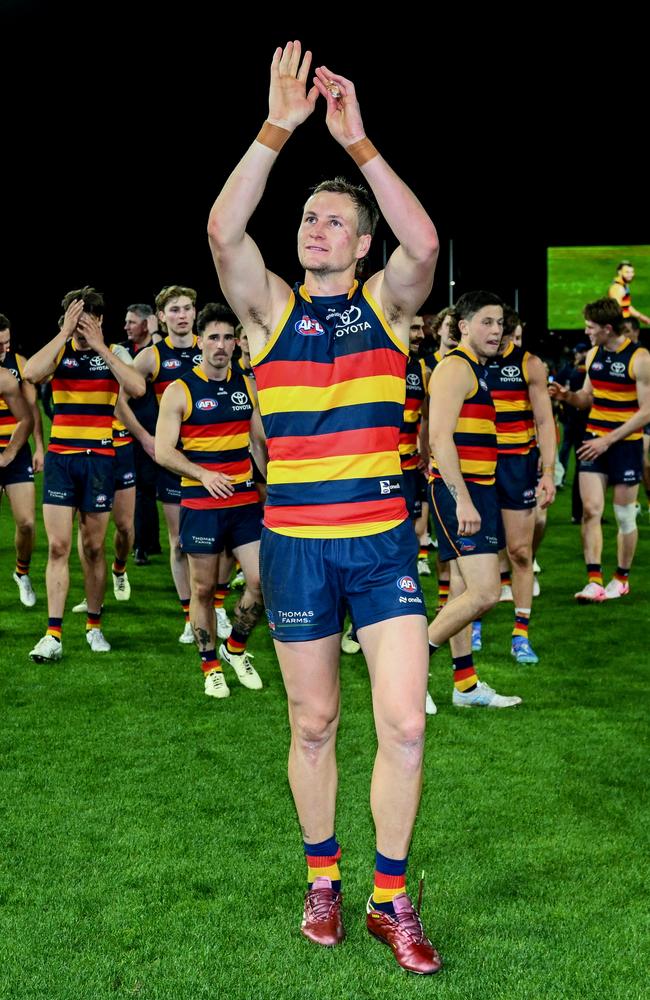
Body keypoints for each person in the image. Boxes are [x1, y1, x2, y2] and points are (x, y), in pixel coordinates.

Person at [207, 41, 442, 974]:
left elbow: (424, 244)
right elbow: (225, 233)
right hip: (298, 548)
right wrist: (278, 130)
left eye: (334, 220)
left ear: (361, 241)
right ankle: (323, 876)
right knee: (312, 725)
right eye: (309, 216)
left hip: (381, 547)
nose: (315, 228)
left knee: (407, 722)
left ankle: (390, 897)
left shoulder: (389, 304)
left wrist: (359, 143)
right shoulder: (267, 313)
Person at [24, 287, 145, 663]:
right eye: (76, 320)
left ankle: (94, 626)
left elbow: (138, 388)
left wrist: (102, 346)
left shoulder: (114, 355)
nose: (81, 327)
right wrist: (63, 335)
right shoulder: (59, 352)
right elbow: (30, 373)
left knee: (93, 548)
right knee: (59, 547)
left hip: (99, 461)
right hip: (62, 460)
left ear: (100, 320)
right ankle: (53, 634)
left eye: (88, 319)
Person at [155, 302, 267, 698]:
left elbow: (259, 441)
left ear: (237, 343)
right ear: (200, 341)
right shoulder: (179, 390)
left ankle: (235, 648)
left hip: (243, 502)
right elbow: (163, 451)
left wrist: (272, 484)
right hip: (201, 505)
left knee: (260, 581)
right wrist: (203, 474)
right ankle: (210, 666)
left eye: (227, 338)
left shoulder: (246, 384)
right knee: (203, 591)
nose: (221, 345)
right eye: (213, 337)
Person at [427, 292, 524, 707]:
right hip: (459, 492)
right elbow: (438, 438)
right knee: (485, 592)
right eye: (486, 322)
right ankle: (410, 661)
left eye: (500, 322)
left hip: (478, 490)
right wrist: (463, 500)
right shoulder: (455, 368)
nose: (496, 330)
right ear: (463, 326)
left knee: (464, 589)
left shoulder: (480, 371)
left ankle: (465, 685)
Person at [550, 297, 650, 600]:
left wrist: (609, 439)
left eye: (590, 326)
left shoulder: (640, 357)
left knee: (623, 517)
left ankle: (621, 579)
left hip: (625, 445)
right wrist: (568, 397)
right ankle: (594, 580)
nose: (586, 331)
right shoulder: (593, 355)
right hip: (595, 441)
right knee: (591, 511)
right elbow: (588, 398)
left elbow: (646, 412)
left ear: (608, 328)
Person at [118, 285, 203, 641]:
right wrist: (145, 437)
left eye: (186, 308)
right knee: (180, 540)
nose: (182, 315)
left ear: (194, 313)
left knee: (222, 541)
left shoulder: (211, 346)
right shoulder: (151, 357)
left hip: (216, 457)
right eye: (174, 310)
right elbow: (118, 400)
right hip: (173, 462)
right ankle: (189, 617)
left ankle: (213, 606)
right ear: (162, 317)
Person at [483, 307, 557, 663]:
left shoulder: (529, 364)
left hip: (517, 466)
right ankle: (474, 622)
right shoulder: (465, 363)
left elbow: (544, 420)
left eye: (501, 329)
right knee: (476, 554)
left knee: (520, 552)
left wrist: (548, 471)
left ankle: (521, 635)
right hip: (477, 466)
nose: (496, 335)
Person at [0, 314, 44, 606]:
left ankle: (22, 572)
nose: (3, 349)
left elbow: (30, 413)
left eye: (6, 342)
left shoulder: (19, 366)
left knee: (27, 523)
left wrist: (35, 447)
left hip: (13, 450)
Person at [123, 303, 162, 563]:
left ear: (147, 324)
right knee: (143, 489)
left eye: (131, 322)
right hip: (140, 433)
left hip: (168, 432)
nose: (126, 326)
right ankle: (141, 545)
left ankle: (151, 541)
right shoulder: (125, 353)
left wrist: (157, 334)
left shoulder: (157, 352)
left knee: (154, 489)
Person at [607, 261, 650, 325]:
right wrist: (642, 318)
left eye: (632, 272)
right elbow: (623, 307)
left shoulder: (624, 284)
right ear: (619, 272)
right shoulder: (617, 288)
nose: (630, 275)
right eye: (627, 272)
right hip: (618, 324)